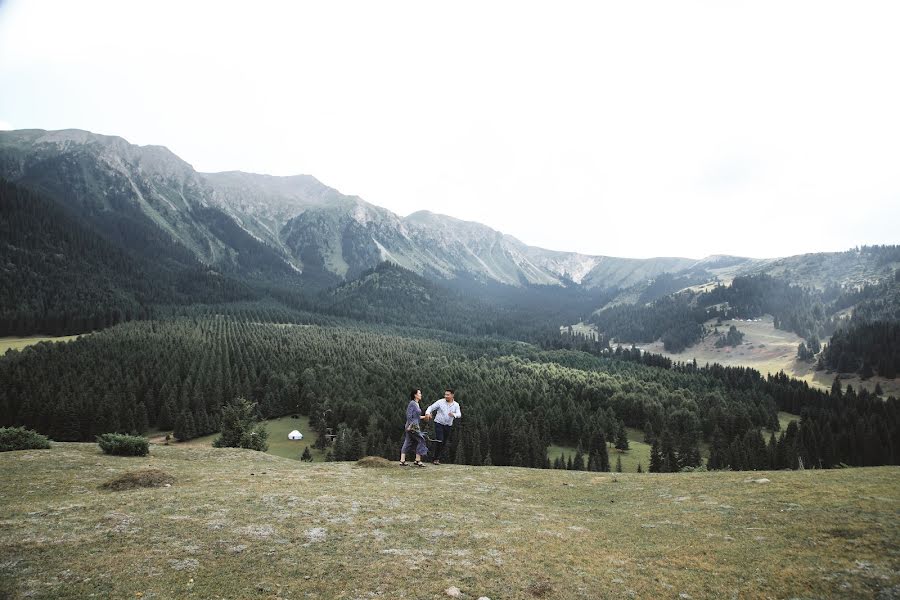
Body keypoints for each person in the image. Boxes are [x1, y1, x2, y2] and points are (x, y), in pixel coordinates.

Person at [425, 388, 462, 465]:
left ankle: (436, 458)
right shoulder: (440, 402)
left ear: (452, 395)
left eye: (448, 395)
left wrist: (454, 415)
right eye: (445, 394)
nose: (446, 396)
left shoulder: (456, 405)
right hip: (438, 423)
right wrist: (428, 413)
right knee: (440, 440)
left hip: (448, 425)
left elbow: (459, 414)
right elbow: (431, 407)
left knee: (443, 442)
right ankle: (436, 459)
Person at [400, 389, 431, 467]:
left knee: (408, 441)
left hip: (413, 425)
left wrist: (425, 417)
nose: (421, 395)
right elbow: (409, 415)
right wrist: (410, 425)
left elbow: (416, 417)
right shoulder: (412, 403)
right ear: (415, 395)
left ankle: (402, 460)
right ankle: (418, 460)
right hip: (413, 426)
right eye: (419, 393)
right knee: (421, 440)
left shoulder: (416, 404)